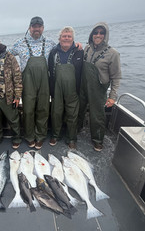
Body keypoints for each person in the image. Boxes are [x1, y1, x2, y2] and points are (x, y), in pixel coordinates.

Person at [10, 16, 56, 149]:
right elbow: (5, 54)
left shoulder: (50, 43)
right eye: (34, 26)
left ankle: (40, 136)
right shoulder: (20, 43)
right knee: (28, 110)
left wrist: (78, 45)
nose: (36, 29)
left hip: (44, 82)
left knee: (43, 109)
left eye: (39, 26)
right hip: (27, 82)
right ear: (29, 28)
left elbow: (66, 47)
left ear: (42, 28)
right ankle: (29, 137)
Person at [78, 22, 121, 151]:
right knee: (78, 110)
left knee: (97, 116)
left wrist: (112, 97)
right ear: (91, 34)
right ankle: (76, 131)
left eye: (102, 33)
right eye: (96, 32)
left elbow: (116, 77)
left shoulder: (113, 53)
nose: (98, 35)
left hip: (98, 90)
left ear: (106, 35)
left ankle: (97, 140)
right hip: (83, 87)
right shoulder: (86, 48)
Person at [48, 26, 83, 149]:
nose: (66, 38)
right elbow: (50, 72)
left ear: (73, 38)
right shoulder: (53, 52)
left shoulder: (79, 52)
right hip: (57, 89)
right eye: (64, 36)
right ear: (59, 38)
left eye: (69, 36)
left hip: (73, 89)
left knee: (72, 114)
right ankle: (55, 135)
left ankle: (71, 138)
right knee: (56, 112)